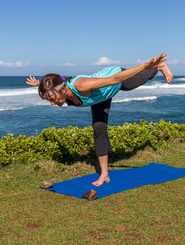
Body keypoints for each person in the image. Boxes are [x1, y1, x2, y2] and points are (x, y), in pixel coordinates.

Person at [26, 53, 173, 186]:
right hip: (100, 98)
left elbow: (114, 79)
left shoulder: (81, 86)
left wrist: (145, 66)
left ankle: (158, 67)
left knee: (139, 79)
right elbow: (53, 88)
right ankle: (105, 175)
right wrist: (39, 85)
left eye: (53, 99)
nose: (52, 103)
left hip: (117, 79)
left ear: (62, 89)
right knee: (99, 129)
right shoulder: (59, 89)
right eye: (49, 100)